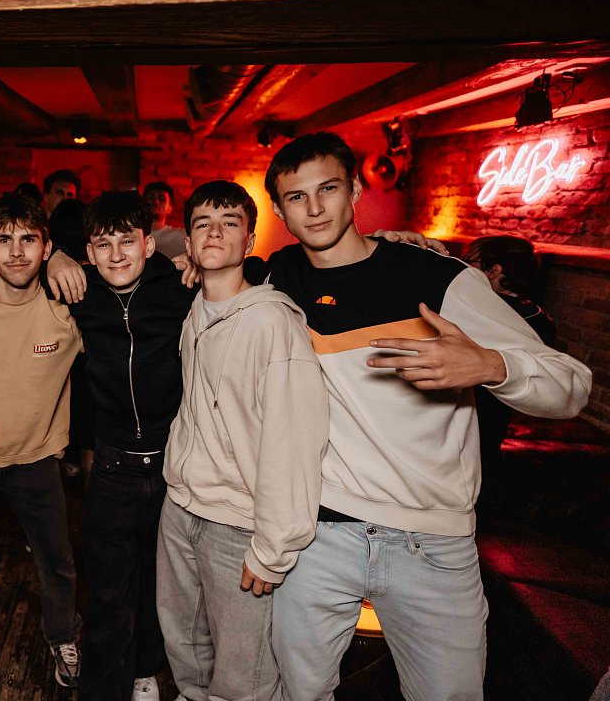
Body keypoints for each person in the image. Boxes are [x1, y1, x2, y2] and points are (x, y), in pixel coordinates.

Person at [262, 132, 592, 701]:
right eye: (297, 196)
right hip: (318, 535)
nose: (314, 208)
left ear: (356, 190)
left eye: (328, 189)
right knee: (297, 693)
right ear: (278, 210)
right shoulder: (277, 278)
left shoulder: (437, 279)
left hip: (431, 543)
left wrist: (490, 365)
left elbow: (571, 387)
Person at [157, 181, 327, 701]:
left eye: (229, 222)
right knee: (186, 652)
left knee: (242, 676)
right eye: (203, 223)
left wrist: (273, 547)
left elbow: (295, 438)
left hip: (238, 523)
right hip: (181, 507)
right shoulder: (193, 309)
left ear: (249, 240)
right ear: (188, 241)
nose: (214, 232)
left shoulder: (272, 321)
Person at [0, 191, 84, 698]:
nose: (17, 251)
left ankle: (63, 638)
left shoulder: (67, 311)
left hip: (37, 459)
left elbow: (126, 275)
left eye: (29, 239)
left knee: (57, 561)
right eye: (4, 240)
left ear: (47, 247)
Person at [67, 190, 197, 701]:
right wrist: (53, 260)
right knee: (105, 590)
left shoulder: (181, 287)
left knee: (159, 582)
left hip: (173, 466)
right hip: (113, 467)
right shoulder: (78, 292)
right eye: (103, 244)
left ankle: (145, 669)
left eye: (127, 241)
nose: (116, 254)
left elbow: (260, 267)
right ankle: (102, 690)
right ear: (89, 252)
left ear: (148, 244)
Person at [462, 235, 556, 517]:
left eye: (469, 262)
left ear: (494, 270)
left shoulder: (477, 312)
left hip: (466, 408)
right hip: (499, 413)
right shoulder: (539, 317)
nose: (461, 267)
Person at [142, 181, 185, 259]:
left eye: (161, 199)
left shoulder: (181, 237)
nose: (156, 202)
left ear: (170, 208)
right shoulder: (133, 234)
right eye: (151, 198)